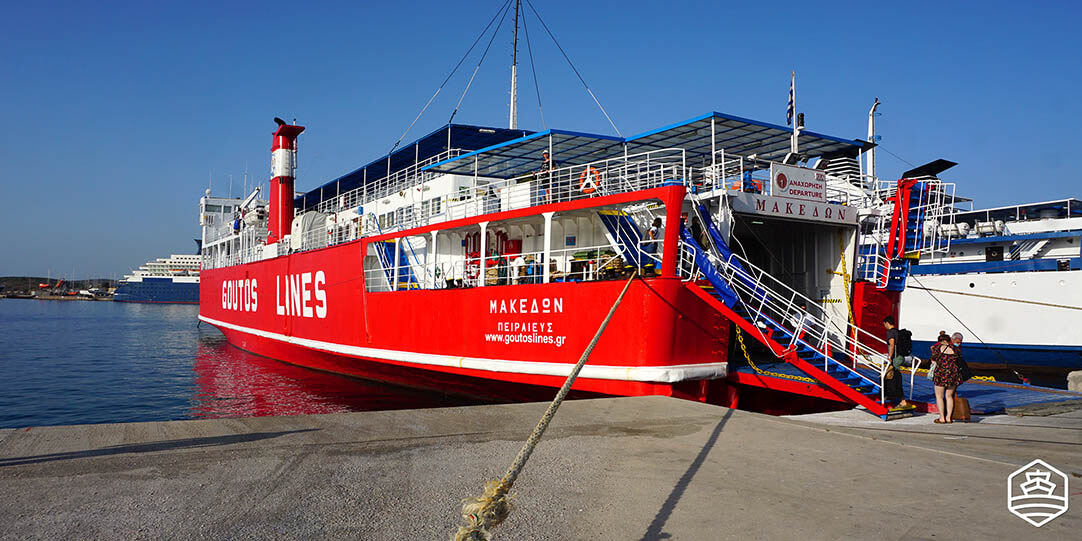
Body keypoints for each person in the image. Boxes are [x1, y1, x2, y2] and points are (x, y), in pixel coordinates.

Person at [931, 332, 964, 423]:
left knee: (939, 397)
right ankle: (949, 417)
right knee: (949, 396)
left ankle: (942, 417)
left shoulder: (937, 348)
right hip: (953, 374)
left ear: (940, 341)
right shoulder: (955, 349)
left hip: (941, 374)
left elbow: (933, 359)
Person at [882, 316, 912, 410]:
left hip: (895, 358)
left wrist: (889, 357)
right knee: (892, 377)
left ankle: (901, 400)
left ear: (887, 323)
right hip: (900, 357)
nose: (884, 326)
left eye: (884, 324)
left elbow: (891, 344)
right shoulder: (897, 331)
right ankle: (888, 395)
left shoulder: (890, 332)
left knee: (894, 378)